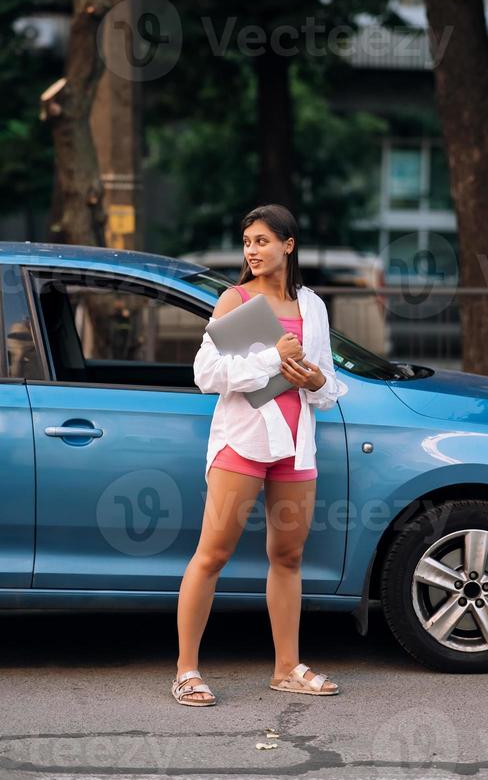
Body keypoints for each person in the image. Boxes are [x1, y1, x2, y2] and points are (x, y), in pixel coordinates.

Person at [172, 203, 349, 706]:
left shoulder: (312, 305)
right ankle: (187, 670)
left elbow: (325, 380)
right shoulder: (235, 300)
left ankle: (286, 667)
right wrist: (275, 357)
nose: (251, 250)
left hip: (296, 447)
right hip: (243, 443)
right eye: (247, 242)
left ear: (288, 245)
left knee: (288, 556)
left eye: (262, 241)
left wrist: (316, 379)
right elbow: (205, 374)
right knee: (213, 554)